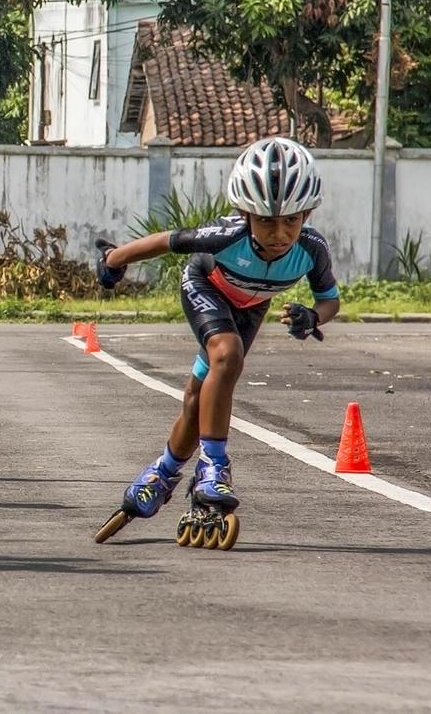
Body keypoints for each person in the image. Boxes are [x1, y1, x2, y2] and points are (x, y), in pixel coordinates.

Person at [92, 136, 340, 550]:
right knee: (227, 356)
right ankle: (213, 467)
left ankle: (161, 474)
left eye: (291, 222)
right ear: (245, 214)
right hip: (206, 287)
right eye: (265, 222)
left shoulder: (312, 250)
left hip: (250, 308)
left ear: (307, 214)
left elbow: (330, 301)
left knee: (197, 399)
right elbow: (165, 241)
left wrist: (311, 317)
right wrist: (113, 260)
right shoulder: (225, 235)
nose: (279, 234)